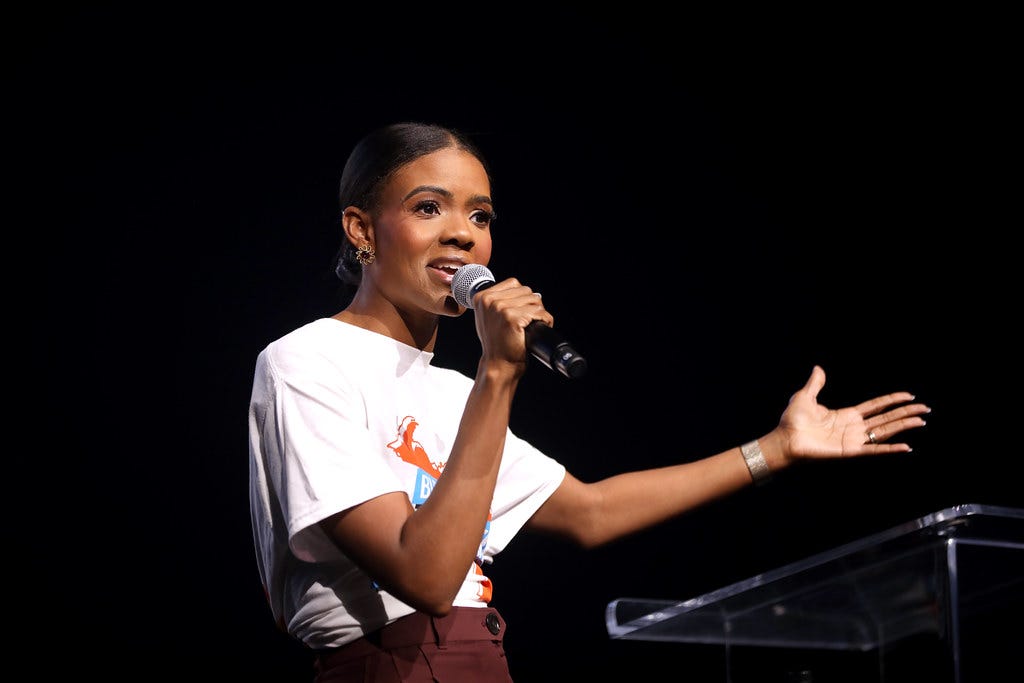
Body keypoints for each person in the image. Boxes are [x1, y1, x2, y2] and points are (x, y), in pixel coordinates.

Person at [247, 121, 930, 682]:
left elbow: (591, 510)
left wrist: (775, 450)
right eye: (429, 207)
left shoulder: (455, 392)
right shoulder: (307, 362)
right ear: (361, 229)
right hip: (386, 666)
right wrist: (498, 373)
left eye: (480, 215)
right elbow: (425, 576)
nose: (463, 233)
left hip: (478, 658)